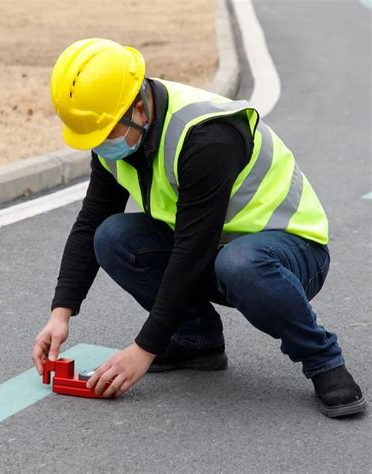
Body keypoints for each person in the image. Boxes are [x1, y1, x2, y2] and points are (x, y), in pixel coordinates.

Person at [32, 38, 366, 417]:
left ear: (139, 107)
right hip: (215, 250)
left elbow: (192, 252)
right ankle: (195, 341)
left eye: (105, 134)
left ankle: (323, 360)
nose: (100, 145)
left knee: (239, 263)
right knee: (111, 236)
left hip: (291, 254)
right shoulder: (117, 129)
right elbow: (89, 221)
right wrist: (60, 314)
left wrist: (144, 349)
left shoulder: (205, 136)